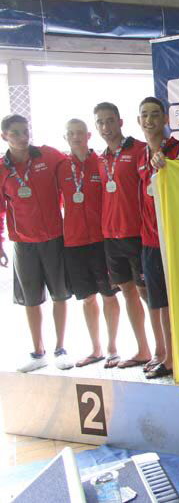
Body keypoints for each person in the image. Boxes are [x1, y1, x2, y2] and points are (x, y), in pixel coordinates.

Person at [0, 114, 72, 372]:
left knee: (60, 295)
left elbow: (72, 169)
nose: (22, 137)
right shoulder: (1, 169)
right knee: (31, 300)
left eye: (25, 131)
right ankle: (38, 352)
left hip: (54, 238)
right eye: (15, 133)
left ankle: (61, 348)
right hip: (23, 243)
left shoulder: (47, 155)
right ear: (4, 136)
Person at [56, 119, 121, 367]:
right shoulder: (61, 166)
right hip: (73, 242)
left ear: (89, 135)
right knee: (86, 298)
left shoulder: (102, 163)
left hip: (101, 240)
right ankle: (95, 349)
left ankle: (113, 348)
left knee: (109, 294)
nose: (76, 137)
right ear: (65, 137)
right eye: (71, 133)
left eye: (80, 133)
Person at [94, 102, 153, 369]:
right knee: (128, 291)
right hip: (111, 236)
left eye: (110, 121)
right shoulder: (100, 157)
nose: (106, 127)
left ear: (120, 121)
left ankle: (166, 350)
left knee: (148, 294)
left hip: (137, 235)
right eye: (100, 122)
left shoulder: (140, 150)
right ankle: (143, 350)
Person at [137, 97, 179, 379]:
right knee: (160, 302)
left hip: (175, 238)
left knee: (178, 300)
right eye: (145, 115)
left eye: (155, 114)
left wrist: (170, 168)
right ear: (138, 121)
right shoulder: (140, 155)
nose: (150, 120)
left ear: (165, 119)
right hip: (150, 242)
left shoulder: (177, 150)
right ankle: (167, 355)